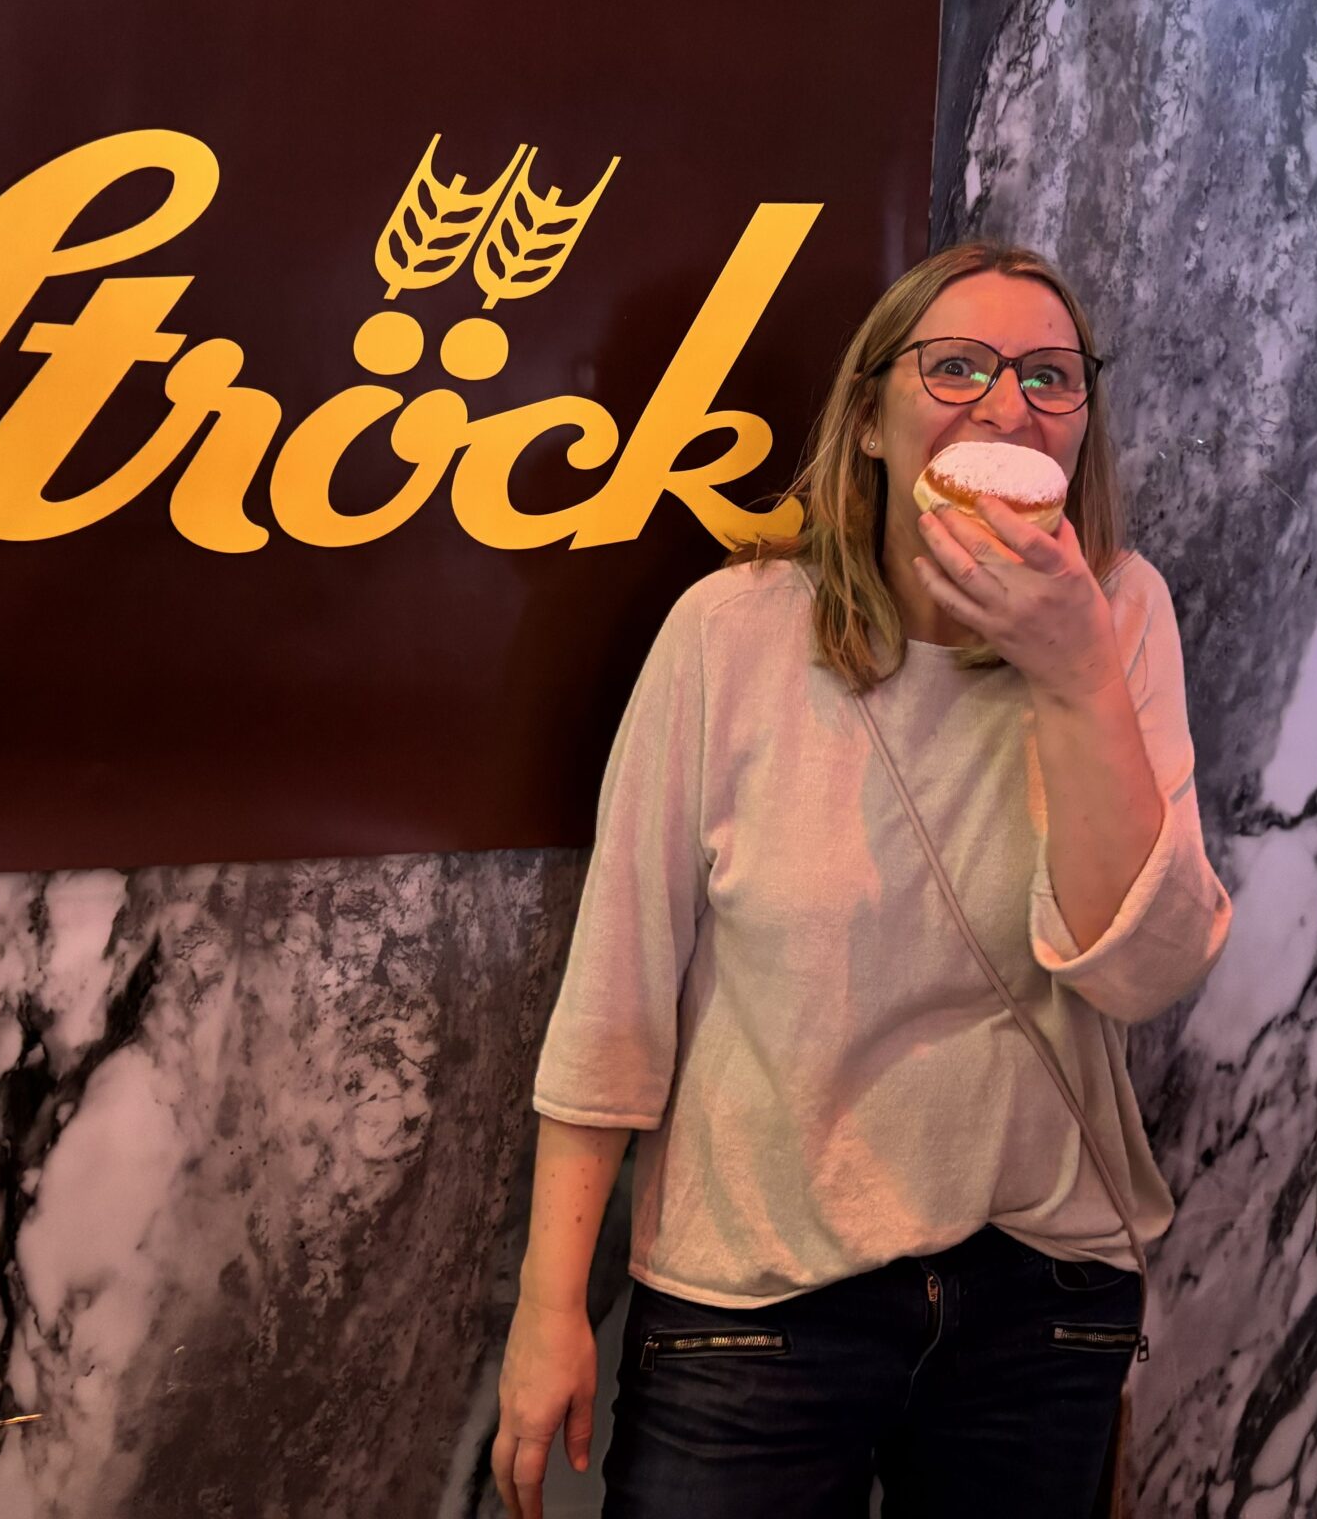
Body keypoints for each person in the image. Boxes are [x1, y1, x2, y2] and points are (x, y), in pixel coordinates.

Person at [492, 243, 1233, 1519]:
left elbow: (1143, 971)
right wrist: (549, 1308)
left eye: (1049, 377)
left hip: (1039, 1294)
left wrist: (1072, 671)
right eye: (957, 367)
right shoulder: (730, 632)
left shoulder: (1120, 616)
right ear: (873, 419)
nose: (1006, 405)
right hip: (756, 1300)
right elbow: (617, 989)